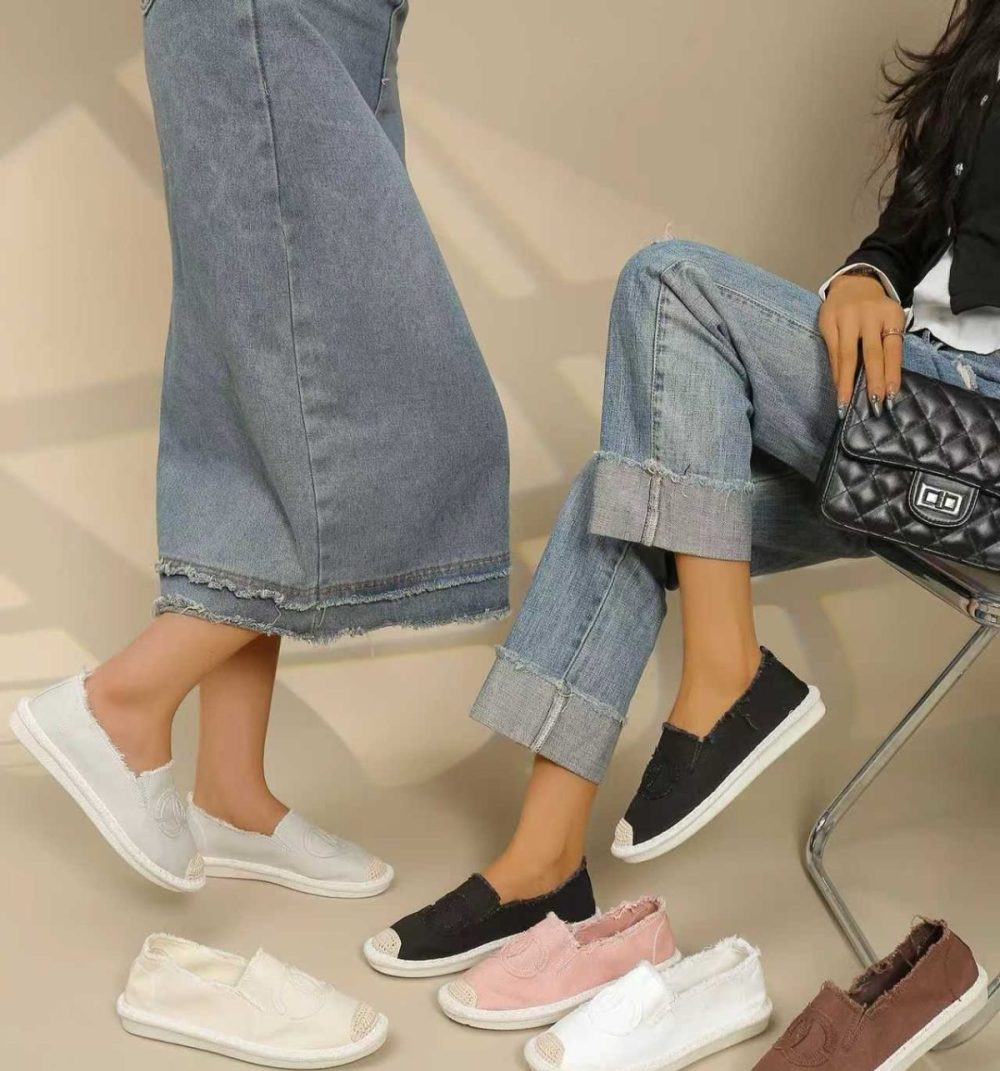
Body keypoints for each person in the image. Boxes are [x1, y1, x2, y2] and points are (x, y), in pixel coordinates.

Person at [364, 0, 1000, 976]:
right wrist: (865, 276)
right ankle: (541, 864)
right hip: (905, 413)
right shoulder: (983, 43)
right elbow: (909, 236)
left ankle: (727, 675)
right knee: (620, 493)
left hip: (978, 433)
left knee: (671, 285)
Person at [10, 0, 508, 897]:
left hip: (343, 26)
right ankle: (122, 699)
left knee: (262, 417)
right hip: (268, 13)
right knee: (406, 410)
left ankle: (231, 791)